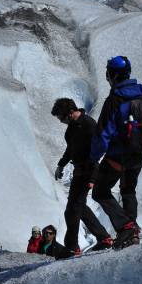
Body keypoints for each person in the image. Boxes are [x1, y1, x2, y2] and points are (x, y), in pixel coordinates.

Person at [90, 56, 142, 249]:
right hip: (140, 154)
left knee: (100, 191)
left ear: (112, 75)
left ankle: (126, 228)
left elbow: (103, 135)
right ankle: (131, 233)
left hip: (118, 155)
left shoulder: (115, 99)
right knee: (128, 190)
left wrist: (92, 158)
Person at [52, 98, 113, 256]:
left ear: (70, 113)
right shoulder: (71, 129)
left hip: (88, 171)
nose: (61, 121)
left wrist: (93, 178)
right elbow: (70, 150)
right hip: (79, 172)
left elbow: (97, 152)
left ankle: (72, 247)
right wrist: (61, 164)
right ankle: (104, 238)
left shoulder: (89, 125)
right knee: (80, 208)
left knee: (72, 210)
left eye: (61, 117)